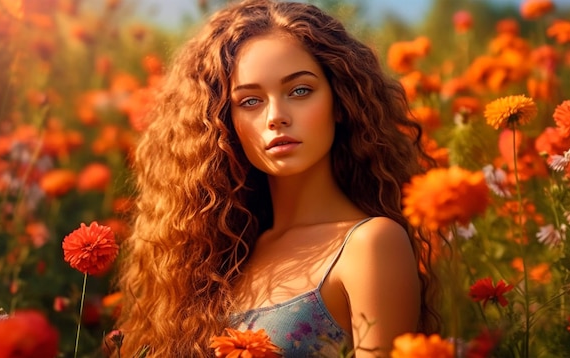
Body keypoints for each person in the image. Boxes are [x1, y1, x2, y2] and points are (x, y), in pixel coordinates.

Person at [115, 0, 441, 356]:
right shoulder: (220, 253)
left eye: (300, 91)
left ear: (341, 102)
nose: (276, 117)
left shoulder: (370, 244)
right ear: (226, 124)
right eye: (250, 101)